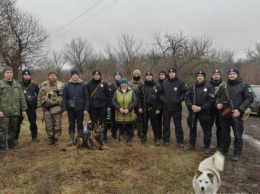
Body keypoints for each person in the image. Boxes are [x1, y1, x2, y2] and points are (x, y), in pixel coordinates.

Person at [216, 68, 253, 161]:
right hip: (224, 114)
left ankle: (237, 153)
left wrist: (239, 110)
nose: (232, 75)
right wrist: (217, 104)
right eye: (230, 74)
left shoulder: (244, 85)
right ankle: (224, 150)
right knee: (224, 133)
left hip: (237, 114)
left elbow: (249, 98)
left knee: (238, 134)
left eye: (234, 73)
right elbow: (217, 96)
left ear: (237, 75)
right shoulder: (223, 85)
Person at [185, 71, 215, 154]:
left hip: (204, 111)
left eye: (201, 76)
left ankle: (206, 146)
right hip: (193, 111)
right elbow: (187, 98)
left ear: (204, 77)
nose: (200, 77)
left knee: (206, 130)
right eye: (198, 76)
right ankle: (192, 144)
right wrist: (191, 106)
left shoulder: (209, 87)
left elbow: (211, 101)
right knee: (192, 127)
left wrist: (201, 108)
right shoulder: (192, 87)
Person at [0, 66, 27, 154]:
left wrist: (23, 109)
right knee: (3, 130)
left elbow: (22, 98)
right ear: (4, 74)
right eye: (7, 72)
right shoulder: (1, 84)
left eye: (10, 72)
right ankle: (2, 146)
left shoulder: (17, 84)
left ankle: (11, 144)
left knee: (13, 129)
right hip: (4, 112)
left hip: (15, 111)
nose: (9, 74)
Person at [160, 68, 187, 147]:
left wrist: (179, 99)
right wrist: (163, 99)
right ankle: (166, 140)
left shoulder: (180, 82)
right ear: (168, 74)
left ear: (175, 73)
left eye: (173, 72)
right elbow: (160, 93)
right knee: (166, 125)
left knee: (178, 125)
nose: (171, 74)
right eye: (170, 72)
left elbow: (185, 92)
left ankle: (180, 141)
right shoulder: (164, 82)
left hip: (176, 108)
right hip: (166, 108)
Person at [62, 69, 89, 146]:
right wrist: (64, 109)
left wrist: (86, 109)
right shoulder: (67, 85)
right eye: (73, 75)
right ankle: (71, 139)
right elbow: (64, 98)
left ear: (78, 76)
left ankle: (80, 139)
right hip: (70, 109)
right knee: (71, 124)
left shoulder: (83, 85)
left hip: (80, 108)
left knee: (80, 124)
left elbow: (86, 97)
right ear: (71, 76)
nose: (75, 76)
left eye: (76, 75)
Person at [37, 70, 64, 145]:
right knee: (48, 125)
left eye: (54, 75)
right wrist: (39, 105)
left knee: (57, 124)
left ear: (56, 76)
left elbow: (64, 96)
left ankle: (56, 139)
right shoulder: (44, 84)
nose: (52, 76)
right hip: (46, 108)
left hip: (57, 107)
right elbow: (39, 95)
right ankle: (50, 138)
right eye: (51, 75)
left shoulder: (61, 85)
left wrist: (59, 102)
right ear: (48, 76)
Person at [136, 71, 161, 146]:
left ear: (152, 77)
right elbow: (138, 98)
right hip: (144, 108)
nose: (148, 77)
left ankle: (156, 139)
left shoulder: (157, 86)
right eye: (147, 75)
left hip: (153, 108)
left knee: (155, 124)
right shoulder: (141, 86)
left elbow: (160, 99)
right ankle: (143, 138)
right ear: (145, 77)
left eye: (150, 75)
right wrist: (139, 107)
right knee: (144, 124)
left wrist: (158, 108)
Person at [16, 69, 40, 144]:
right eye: (25, 75)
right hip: (21, 106)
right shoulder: (18, 84)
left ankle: (34, 136)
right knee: (17, 122)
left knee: (33, 121)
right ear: (22, 75)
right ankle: (15, 138)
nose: (27, 76)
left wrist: (37, 104)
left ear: (30, 76)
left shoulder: (34, 84)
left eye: (28, 75)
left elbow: (39, 94)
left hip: (31, 106)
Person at [87, 70, 110, 144]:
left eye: (97, 75)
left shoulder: (105, 84)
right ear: (93, 76)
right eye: (95, 75)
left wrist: (108, 105)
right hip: (93, 107)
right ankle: (95, 136)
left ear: (100, 76)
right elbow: (87, 96)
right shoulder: (89, 84)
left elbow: (108, 95)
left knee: (103, 123)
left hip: (102, 106)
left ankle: (104, 136)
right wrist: (88, 107)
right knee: (94, 122)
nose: (96, 76)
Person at [112, 78, 137, 146]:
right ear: (120, 84)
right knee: (121, 128)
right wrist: (119, 108)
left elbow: (135, 101)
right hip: (120, 113)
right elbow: (113, 101)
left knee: (129, 127)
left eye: (125, 83)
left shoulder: (131, 91)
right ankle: (121, 140)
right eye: (122, 83)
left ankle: (129, 140)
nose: (123, 85)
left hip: (129, 113)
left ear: (127, 84)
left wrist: (128, 109)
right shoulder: (117, 91)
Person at [208, 69, 225, 148]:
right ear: (212, 76)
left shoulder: (224, 85)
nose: (216, 75)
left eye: (218, 74)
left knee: (220, 127)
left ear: (220, 76)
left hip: (220, 109)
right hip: (210, 109)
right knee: (208, 127)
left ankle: (220, 143)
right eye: (214, 74)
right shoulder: (207, 84)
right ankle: (207, 143)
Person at [104, 71, 122, 140]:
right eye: (116, 75)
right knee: (113, 120)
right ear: (114, 77)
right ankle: (113, 134)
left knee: (121, 121)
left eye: (119, 75)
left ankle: (121, 134)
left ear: (121, 77)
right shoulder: (110, 86)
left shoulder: (123, 85)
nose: (117, 76)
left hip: (122, 106)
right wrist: (109, 106)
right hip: (113, 106)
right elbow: (109, 96)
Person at [128, 69, 143, 137]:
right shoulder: (129, 83)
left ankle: (140, 133)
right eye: (135, 75)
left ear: (139, 75)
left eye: (137, 75)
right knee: (131, 119)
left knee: (139, 119)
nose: (136, 76)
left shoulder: (143, 83)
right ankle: (130, 133)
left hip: (140, 104)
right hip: (131, 103)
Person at [156, 69, 167, 140]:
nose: (161, 76)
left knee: (165, 122)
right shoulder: (156, 83)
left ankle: (165, 136)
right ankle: (159, 135)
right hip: (158, 105)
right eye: (160, 74)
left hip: (166, 105)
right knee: (158, 121)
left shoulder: (168, 82)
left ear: (165, 75)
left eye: (163, 74)